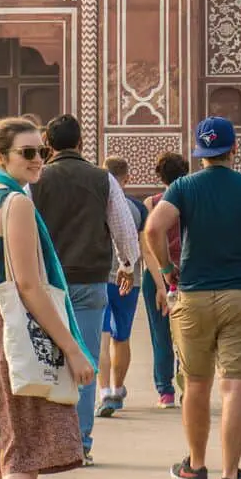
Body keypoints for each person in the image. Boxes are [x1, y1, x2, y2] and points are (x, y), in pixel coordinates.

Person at [144, 116, 241, 479]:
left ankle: (195, 465)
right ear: (234, 149)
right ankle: (230, 473)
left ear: (200, 152)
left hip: (194, 295)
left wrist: (166, 270)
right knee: (236, 385)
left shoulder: (183, 186)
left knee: (196, 383)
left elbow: (152, 228)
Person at [0, 117, 96, 478]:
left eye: (41, 151)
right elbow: (27, 287)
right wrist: (73, 349)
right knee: (22, 451)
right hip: (4, 329)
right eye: (26, 152)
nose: (37, 160)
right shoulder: (16, 204)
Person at [29, 114, 140, 465]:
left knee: (45, 362)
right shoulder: (101, 179)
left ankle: (47, 443)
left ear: (48, 144)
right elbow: (124, 229)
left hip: (47, 285)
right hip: (90, 281)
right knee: (85, 363)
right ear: (80, 143)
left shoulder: (35, 180)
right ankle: (80, 444)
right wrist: (126, 265)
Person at [96, 156, 151, 417]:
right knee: (122, 336)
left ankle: (104, 390)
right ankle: (118, 389)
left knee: (103, 336)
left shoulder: (94, 203)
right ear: (126, 178)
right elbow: (143, 248)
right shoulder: (137, 208)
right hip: (131, 279)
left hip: (99, 277)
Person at [142, 152, 189, 409]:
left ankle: (165, 391)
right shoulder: (192, 200)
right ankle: (187, 387)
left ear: (160, 176)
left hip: (157, 273)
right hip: (188, 272)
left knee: (160, 333)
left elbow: (147, 246)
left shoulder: (152, 203)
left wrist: (161, 278)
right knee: (187, 333)